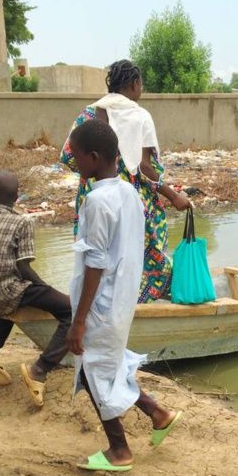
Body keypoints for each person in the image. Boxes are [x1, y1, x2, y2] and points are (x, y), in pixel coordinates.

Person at [65, 119, 182, 472]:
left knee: (92, 371)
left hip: (101, 303)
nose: (74, 163)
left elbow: (96, 263)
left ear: (95, 157)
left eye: (77, 156)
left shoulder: (97, 201)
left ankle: (120, 450)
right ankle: (157, 413)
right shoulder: (128, 192)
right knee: (107, 365)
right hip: (121, 299)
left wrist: (79, 322)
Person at [60, 59, 191, 303]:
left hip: (93, 195)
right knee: (148, 253)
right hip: (132, 200)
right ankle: (140, 301)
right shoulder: (140, 116)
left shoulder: (88, 113)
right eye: (141, 83)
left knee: (94, 252)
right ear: (134, 84)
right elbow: (144, 168)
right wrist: (173, 196)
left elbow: (68, 156)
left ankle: (91, 303)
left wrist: (94, 177)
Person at [0, 170, 72, 408]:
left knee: (8, 296)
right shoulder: (21, 221)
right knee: (71, 311)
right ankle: (40, 369)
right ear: (16, 199)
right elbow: (23, 267)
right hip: (4, 289)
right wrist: (45, 287)